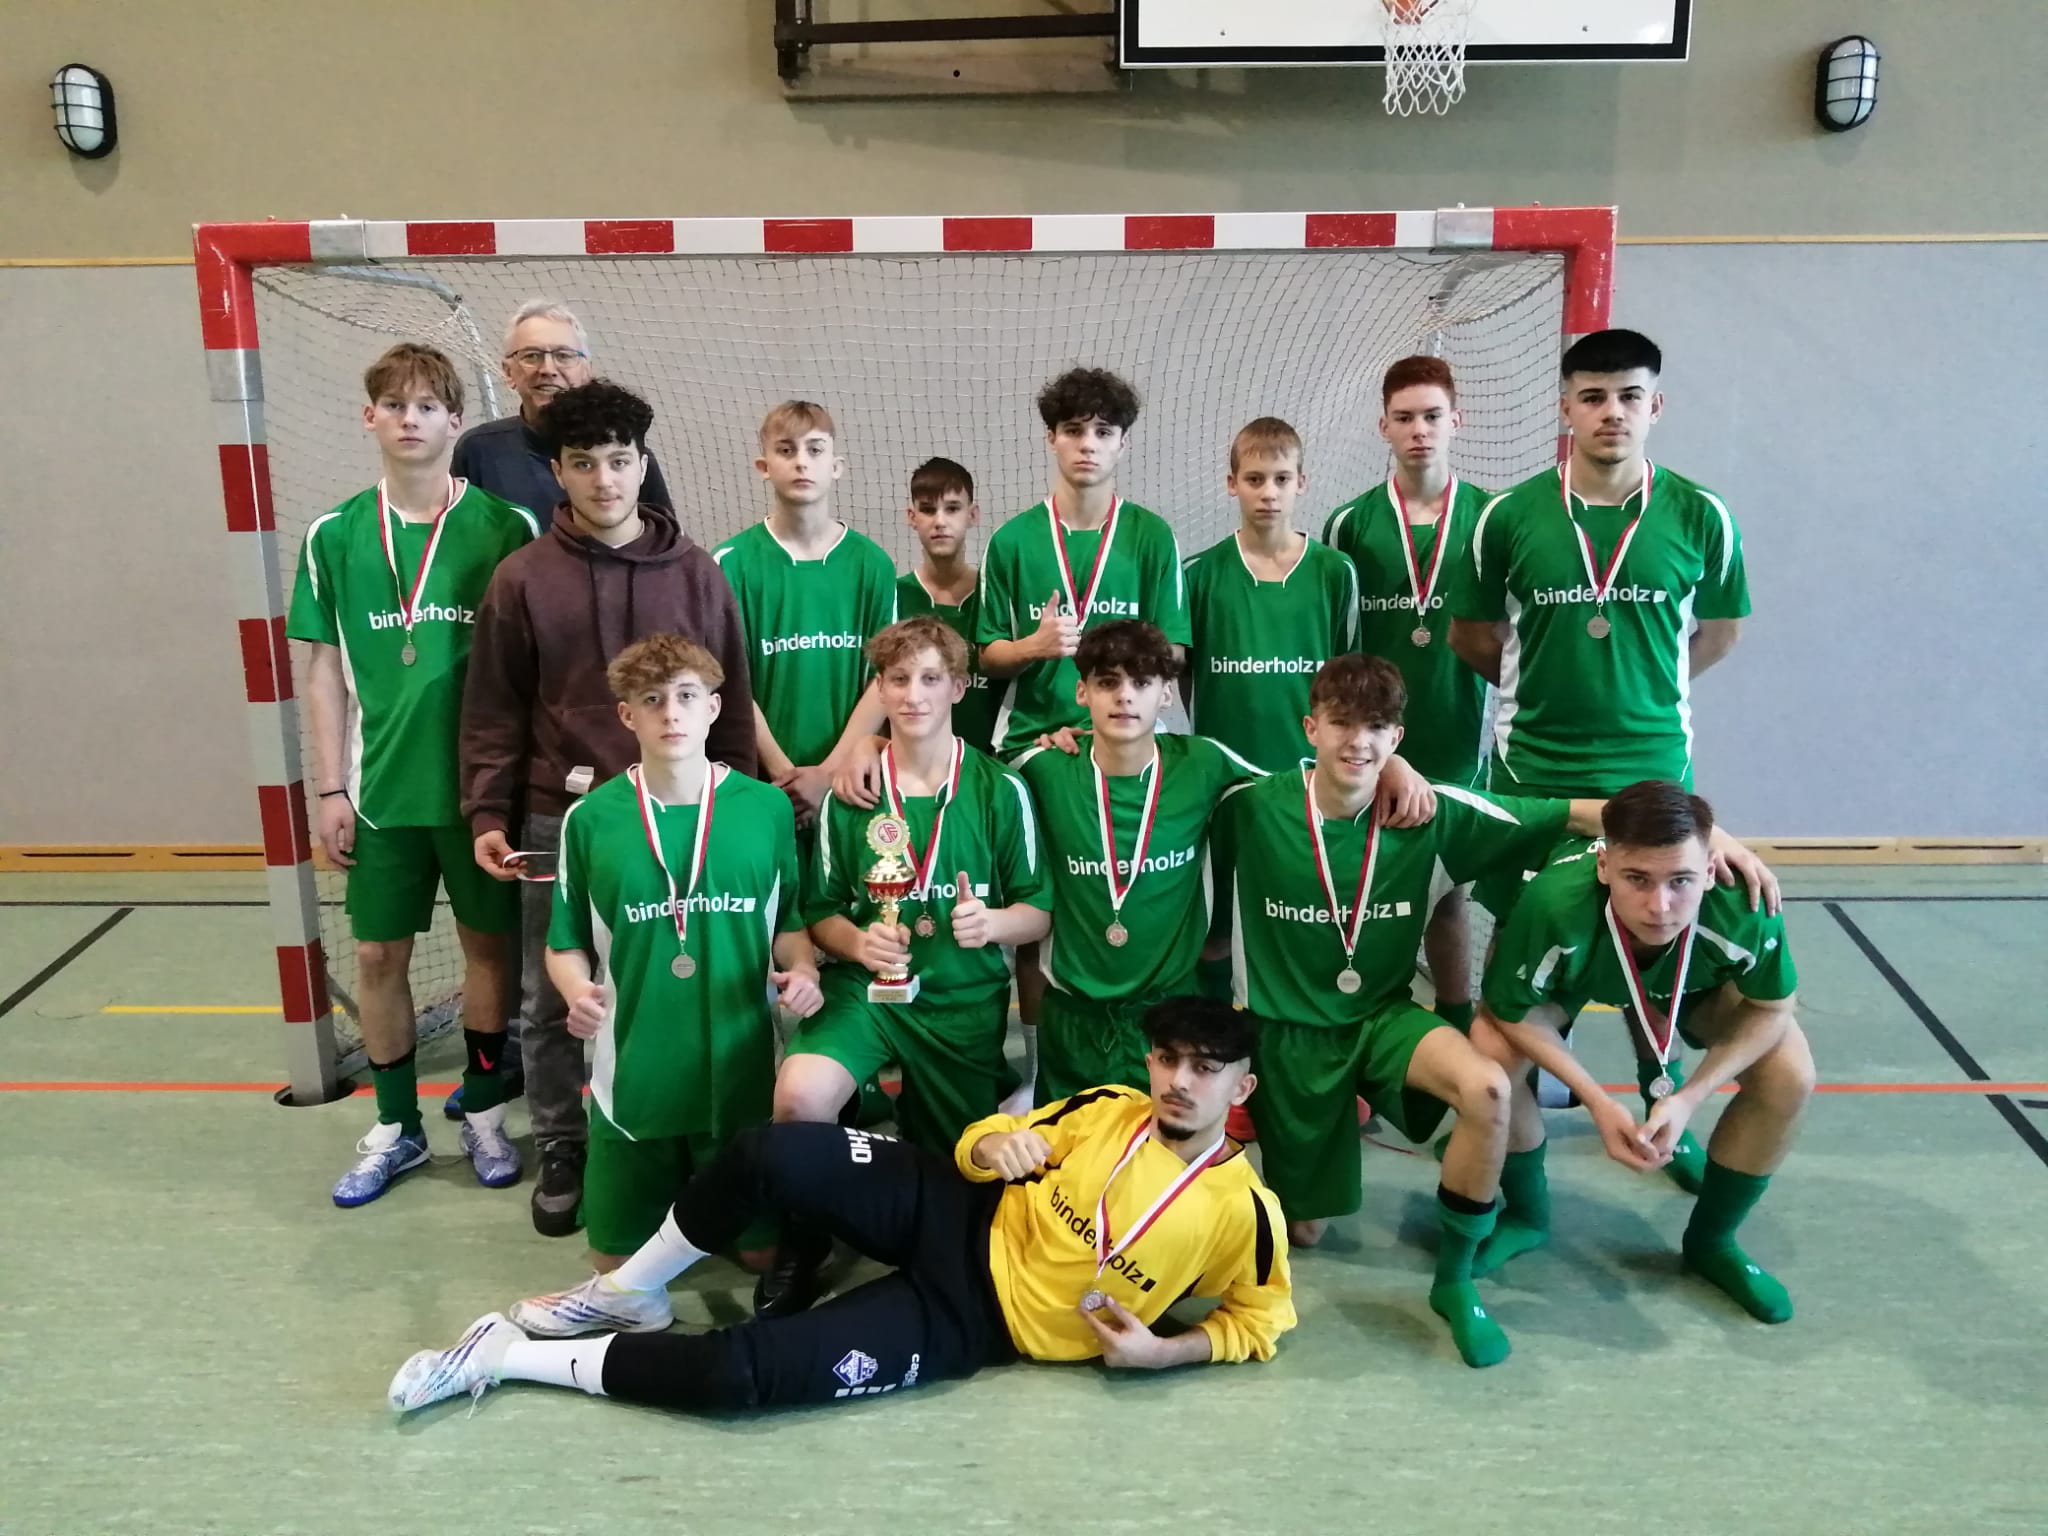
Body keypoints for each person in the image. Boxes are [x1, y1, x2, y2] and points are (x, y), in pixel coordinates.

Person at [1208, 655, 1775, 1368]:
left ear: (1398, 737)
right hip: (1288, 1035)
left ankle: (1455, 1279)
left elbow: (1573, 812)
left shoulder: (1434, 811)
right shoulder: (1249, 803)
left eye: (1377, 729)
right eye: (1342, 724)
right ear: (1310, 727)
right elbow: (1162, 768)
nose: (1358, 741)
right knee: (1308, 1231)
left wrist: (1706, 835)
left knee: (1488, 1087)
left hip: (1382, 1019)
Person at [388, 997, 1295, 1417]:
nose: (1179, 1081)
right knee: (771, 1150)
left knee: (742, 1377)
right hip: (957, 1212)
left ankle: (503, 1357)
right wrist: (990, 1147)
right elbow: (984, 1142)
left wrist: (1165, 1352)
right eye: (1168, 1060)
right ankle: (631, 1290)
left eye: (1205, 1069)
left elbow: (1261, 1320)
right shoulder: (1107, 1106)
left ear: (1242, 1087)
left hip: (974, 1323)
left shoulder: (1244, 1214)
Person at [1447, 327, 1751, 1187]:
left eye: (1628, 396)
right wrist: (1544, 689)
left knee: (1661, 950)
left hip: (1650, 772)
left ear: (1656, 406)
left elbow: (1720, 633)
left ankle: (1665, 1117)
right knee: (1520, 962)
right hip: (1534, 774)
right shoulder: (1508, 517)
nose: (1611, 412)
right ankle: (1521, 1178)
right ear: (1565, 409)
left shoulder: (1701, 514)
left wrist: (1643, 691)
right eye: (1592, 397)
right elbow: (1473, 635)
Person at [462, 380, 757, 1237]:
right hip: (561, 817)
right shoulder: (522, 578)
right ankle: (564, 1145)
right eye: (583, 463)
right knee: (553, 994)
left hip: (684, 817)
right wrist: (488, 812)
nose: (603, 479)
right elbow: (493, 707)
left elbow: (732, 702)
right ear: (557, 472)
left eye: (619, 461)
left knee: (686, 982)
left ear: (643, 464)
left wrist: (738, 803)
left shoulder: (697, 574)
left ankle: (686, 1136)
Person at [285, 342, 536, 1206]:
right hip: (380, 794)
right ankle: (396, 1126)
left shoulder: (507, 527)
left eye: (427, 405)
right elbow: (323, 669)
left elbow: (529, 667)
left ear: (455, 422)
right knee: (378, 953)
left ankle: (486, 1113)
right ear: (370, 417)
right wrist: (329, 787)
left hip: (480, 796)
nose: (409, 419)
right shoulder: (334, 534)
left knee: (488, 951)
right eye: (394, 404)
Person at [767, 617, 1054, 1312]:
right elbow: (821, 910)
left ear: (958, 687)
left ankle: (890, 1154)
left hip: (960, 1001)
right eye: (898, 679)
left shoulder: (999, 790)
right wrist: (855, 943)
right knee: (799, 1096)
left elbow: (1039, 910)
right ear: (881, 688)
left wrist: (992, 924)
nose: (913, 695)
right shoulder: (853, 794)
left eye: (930, 679)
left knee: (958, 1191)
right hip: (867, 994)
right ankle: (805, 1238)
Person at [530, 633, 820, 1286]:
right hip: (634, 1081)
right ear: (627, 715)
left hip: (740, 1077)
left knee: (760, 1259)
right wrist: (576, 990)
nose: (671, 714)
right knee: (616, 1270)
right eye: (652, 700)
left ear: (714, 708)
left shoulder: (767, 808)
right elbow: (564, 943)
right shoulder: (590, 820)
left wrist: (803, 971)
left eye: (687, 696)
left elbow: (790, 925)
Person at [1472, 781, 1809, 1326]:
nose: (1660, 906)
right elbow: (1509, 1010)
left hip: (1692, 984)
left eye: (1681, 881)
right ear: (1604, 866)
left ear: (1710, 868)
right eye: (1637, 879)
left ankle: (1713, 1242)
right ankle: (1528, 1215)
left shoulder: (1743, 904)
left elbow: (1772, 1007)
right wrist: (1598, 1101)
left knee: (1790, 1075)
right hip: (1576, 976)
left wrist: (1691, 1097)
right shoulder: (1554, 903)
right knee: (1490, 1054)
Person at [1322, 357, 1493, 1030]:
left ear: (1457, 421)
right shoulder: (1349, 524)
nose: (1419, 430)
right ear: (1383, 427)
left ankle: (1457, 1020)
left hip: (1461, 738)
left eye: (1431, 416)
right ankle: (1365, 1018)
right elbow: (1341, 650)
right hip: (1372, 746)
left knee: (1449, 897)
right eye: (1405, 418)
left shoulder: (1493, 517)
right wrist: (1374, 746)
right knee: (1364, 887)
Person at [975, 367, 1190, 755]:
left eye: (1103, 432)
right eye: (1073, 430)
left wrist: (1126, 655)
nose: (1088, 444)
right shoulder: (1010, 541)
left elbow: (1175, 651)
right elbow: (989, 657)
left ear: (1122, 443)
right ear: (1052, 439)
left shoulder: (1154, 536)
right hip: (1034, 739)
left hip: (1129, 736)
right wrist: (1033, 646)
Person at [712, 401, 898, 825]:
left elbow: (885, 678)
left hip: (849, 780)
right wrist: (785, 775)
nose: (801, 462)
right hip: (761, 784)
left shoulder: (872, 564)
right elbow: (726, 680)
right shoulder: (729, 563)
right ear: (763, 466)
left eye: (814, 450)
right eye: (786, 450)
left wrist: (828, 774)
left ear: (836, 466)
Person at [1182, 417, 1359, 774]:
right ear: (1232, 484)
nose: (1269, 493)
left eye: (1282, 479)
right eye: (1254, 479)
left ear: (1301, 483)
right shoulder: (1196, 574)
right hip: (1222, 773)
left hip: (1310, 772)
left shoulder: (1336, 571)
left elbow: (1348, 677)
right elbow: (1183, 675)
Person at [451, 299, 673, 517]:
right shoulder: (478, 451)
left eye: (563, 356)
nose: (548, 369)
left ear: (587, 371)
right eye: (531, 356)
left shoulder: (626, 458)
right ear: (508, 372)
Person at [892, 458, 1002, 755]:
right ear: (912, 517)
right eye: (928, 509)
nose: (939, 521)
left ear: (972, 514)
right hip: (911, 761)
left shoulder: (997, 594)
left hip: (990, 763)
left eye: (952, 508)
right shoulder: (894, 595)